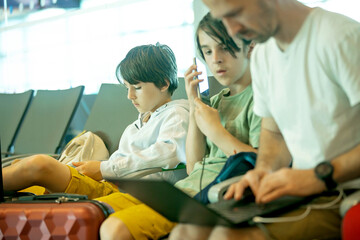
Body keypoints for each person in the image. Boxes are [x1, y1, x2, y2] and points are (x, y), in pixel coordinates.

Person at [170, 0, 360, 239]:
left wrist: (316, 177)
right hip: (296, 192)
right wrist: (262, 172)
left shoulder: (340, 37)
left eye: (236, 14)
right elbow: (274, 133)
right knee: (184, 232)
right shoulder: (263, 55)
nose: (232, 30)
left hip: (342, 191)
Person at [98, 12, 261, 240]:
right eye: (207, 51)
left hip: (212, 197)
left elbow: (263, 165)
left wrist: (217, 131)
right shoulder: (214, 103)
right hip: (184, 193)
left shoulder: (261, 100)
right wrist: (195, 107)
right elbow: (194, 167)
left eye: (225, 47)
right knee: (92, 214)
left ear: (250, 46)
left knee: (114, 228)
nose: (216, 59)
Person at [3, 43, 189, 199]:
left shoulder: (176, 114)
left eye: (137, 88)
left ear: (164, 84)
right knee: (26, 174)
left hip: (125, 194)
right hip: (109, 184)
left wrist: (104, 168)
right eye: (126, 88)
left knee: (40, 165)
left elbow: (169, 153)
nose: (130, 96)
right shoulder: (137, 126)